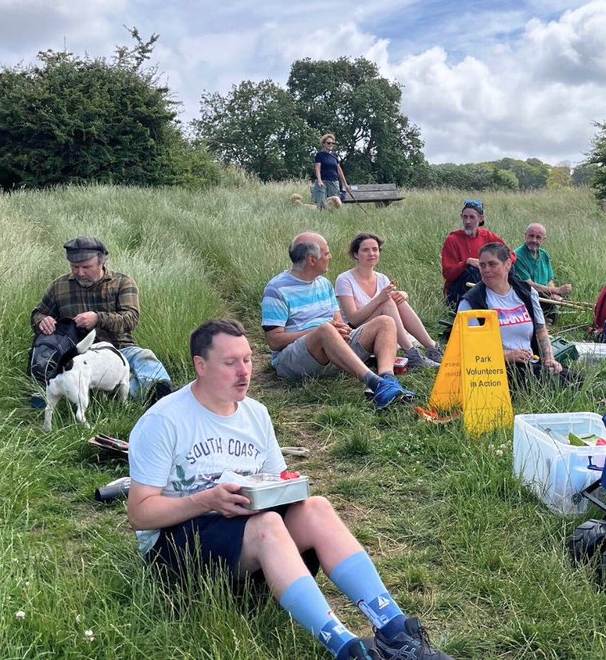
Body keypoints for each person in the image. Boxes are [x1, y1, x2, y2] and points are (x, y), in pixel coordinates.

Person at [127, 319, 452, 660]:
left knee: (316, 509)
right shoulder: (164, 421)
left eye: (247, 360)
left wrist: (286, 488)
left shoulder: (256, 414)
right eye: (230, 363)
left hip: (245, 540)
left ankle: (396, 631)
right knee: (268, 525)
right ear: (200, 365)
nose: (244, 371)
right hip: (178, 552)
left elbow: (277, 483)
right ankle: (347, 649)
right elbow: (139, 514)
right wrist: (206, 500)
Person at [262, 233, 412, 410]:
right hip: (294, 360)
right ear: (312, 260)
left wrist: (341, 330)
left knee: (385, 322)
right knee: (325, 329)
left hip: (333, 350)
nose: (330, 257)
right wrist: (320, 332)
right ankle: (377, 385)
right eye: (326, 253)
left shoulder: (324, 284)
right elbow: (274, 341)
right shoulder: (277, 289)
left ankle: (388, 378)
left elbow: (337, 321)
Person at [32, 237, 173, 403]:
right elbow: (38, 314)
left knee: (145, 358)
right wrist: (42, 320)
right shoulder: (59, 286)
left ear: (101, 262)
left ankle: (162, 397)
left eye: (86, 267)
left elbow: (131, 319)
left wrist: (98, 319)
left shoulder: (123, 283)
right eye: (75, 267)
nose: (80, 273)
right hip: (77, 355)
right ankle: (119, 393)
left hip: (120, 349)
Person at [458, 243, 571, 388]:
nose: (486, 270)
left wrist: (549, 358)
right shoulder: (471, 302)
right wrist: (507, 356)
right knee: (551, 383)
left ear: (508, 264)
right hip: (495, 371)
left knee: (574, 380)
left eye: (492, 264)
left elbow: (541, 331)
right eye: (482, 265)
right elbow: (470, 348)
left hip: (531, 363)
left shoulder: (526, 292)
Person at [335, 232, 444, 370]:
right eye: (365, 250)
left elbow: (393, 302)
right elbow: (353, 319)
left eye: (375, 249)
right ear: (356, 254)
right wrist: (379, 299)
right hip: (357, 332)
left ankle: (432, 348)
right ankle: (412, 354)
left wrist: (403, 295)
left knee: (397, 301)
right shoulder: (344, 279)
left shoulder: (382, 278)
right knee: (387, 303)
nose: (371, 253)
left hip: (384, 326)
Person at [439, 199, 512, 308]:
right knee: (473, 270)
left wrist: (497, 265)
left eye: (472, 217)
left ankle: (508, 302)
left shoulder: (487, 236)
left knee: (510, 267)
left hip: (488, 284)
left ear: (480, 218)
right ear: (461, 217)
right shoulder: (452, 239)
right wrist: (466, 262)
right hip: (458, 290)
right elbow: (448, 274)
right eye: (465, 217)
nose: (468, 221)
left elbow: (510, 255)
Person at [513, 223, 573, 300]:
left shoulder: (544, 255)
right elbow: (529, 285)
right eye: (531, 236)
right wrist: (557, 290)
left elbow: (549, 281)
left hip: (545, 296)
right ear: (525, 235)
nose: (534, 240)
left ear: (543, 240)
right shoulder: (517, 256)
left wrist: (553, 295)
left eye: (538, 237)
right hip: (527, 297)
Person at [313, 133, 349, 209]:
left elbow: (339, 170)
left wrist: (345, 184)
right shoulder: (319, 155)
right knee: (321, 203)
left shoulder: (335, 155)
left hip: (334, 181)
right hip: (323, 181)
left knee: (335, 204)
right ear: (323, 144)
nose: (331, 144)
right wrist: (319, 180)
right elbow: (317, 168)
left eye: (332, 143)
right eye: (328, 143)